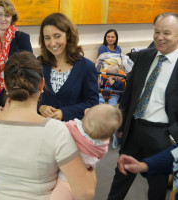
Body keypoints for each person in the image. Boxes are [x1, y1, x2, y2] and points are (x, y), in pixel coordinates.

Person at [0, 51, 96, 200]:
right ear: (42, 84)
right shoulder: (55, 130)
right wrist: (91, 153)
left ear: (5, 84)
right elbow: (85, 192)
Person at [108, 12, 178, 200]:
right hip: (134, 130)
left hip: (162, 136)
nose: (159, 38)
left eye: (167, 33)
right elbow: (129, 94)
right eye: (156, 32)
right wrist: (122, 126)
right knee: (120, 179)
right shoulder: (144, 56)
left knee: (157, 188)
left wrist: (172, 136)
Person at [50, 104, 122, 200]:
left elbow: (55, 129)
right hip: (82, 177)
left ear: (86, 112)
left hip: (65, 176)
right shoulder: (103, 144)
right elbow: (100, 156)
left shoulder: (72, 128)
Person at [38, 13, 98, 121]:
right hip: (44, 129)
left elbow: (92, 103)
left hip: (72, 132)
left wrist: (65, 113)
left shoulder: (86, 67)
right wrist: (40, 107)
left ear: (68, 35)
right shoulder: (39, 64)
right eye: (47, 38)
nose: (52, 43)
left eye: (57, 36)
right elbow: (29, 96)